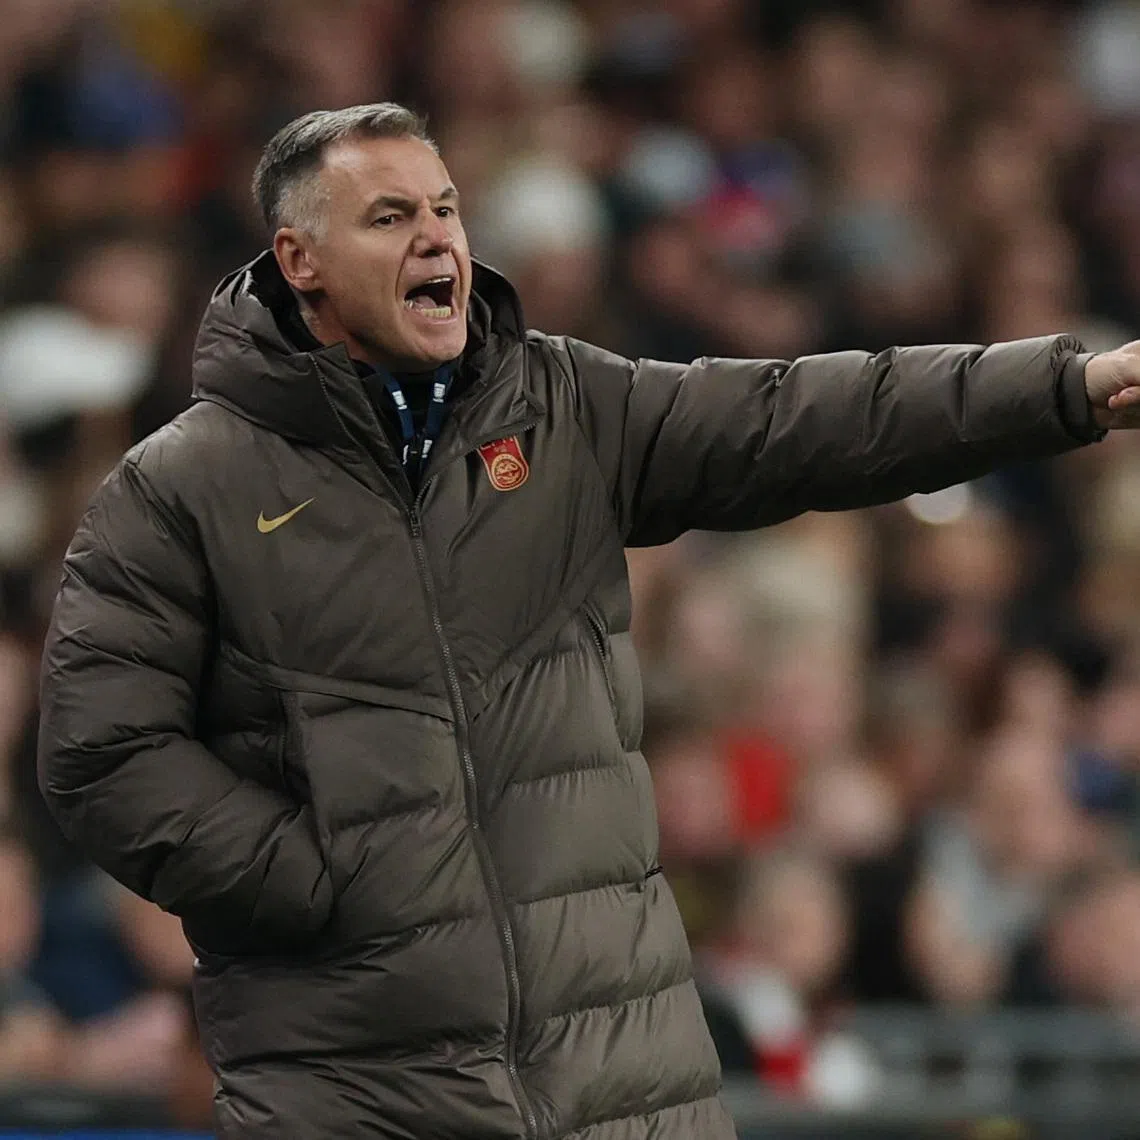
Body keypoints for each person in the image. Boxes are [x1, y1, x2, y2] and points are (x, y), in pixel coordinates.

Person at [35, 102, 1140, 1140]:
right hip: (358, 1090)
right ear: (299, 261)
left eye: (446, 209)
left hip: (621, 1086)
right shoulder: (181, 492)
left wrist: (1060, 388)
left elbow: (800, 416)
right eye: (391, 216)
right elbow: (102, 751)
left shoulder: (563, 410)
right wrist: (312, 881)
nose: (437, 240)